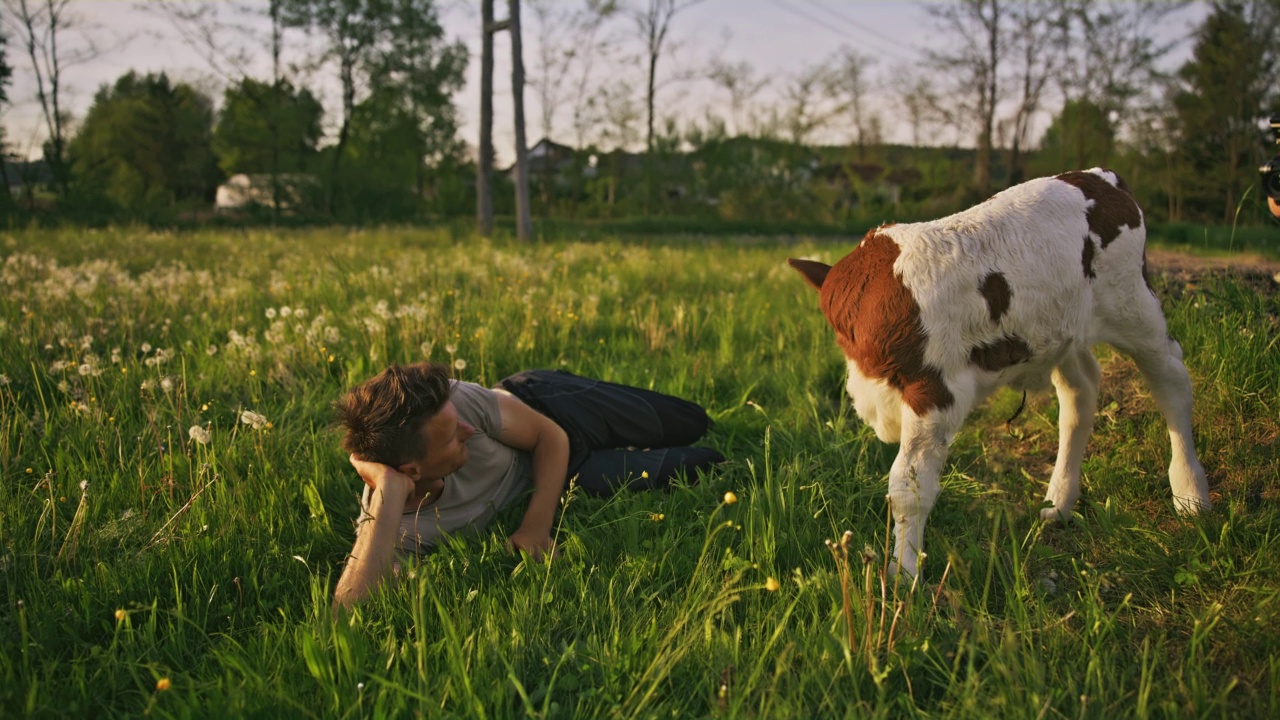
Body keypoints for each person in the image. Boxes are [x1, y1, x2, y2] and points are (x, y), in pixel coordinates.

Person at [331, 363, 724, 610]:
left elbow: (549, 437)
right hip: (568, 472)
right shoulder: (393, 525)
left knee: (693, 421)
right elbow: (348, 608)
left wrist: (536, 527)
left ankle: (575, 386)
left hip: (546, 409)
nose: (466, 429)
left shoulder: (456, 403)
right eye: (452, 436)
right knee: (705, 463)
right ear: (411, 470)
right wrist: (387, 488)